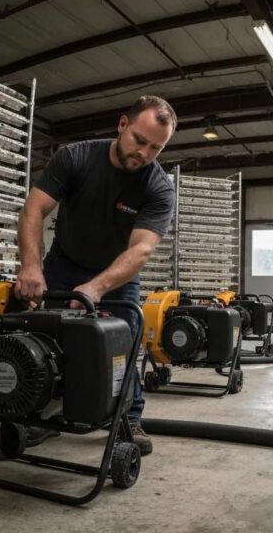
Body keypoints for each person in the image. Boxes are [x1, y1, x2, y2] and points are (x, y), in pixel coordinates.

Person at [14, 95, 177, 456]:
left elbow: (142, 250)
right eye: (139, 139)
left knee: (122, 346)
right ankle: (40, 416)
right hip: (64, 262)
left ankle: (127, 418)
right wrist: (31, 265)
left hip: (117, 274)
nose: (144, 153)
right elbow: (33, 210)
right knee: (43, 342)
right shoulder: (75, 157)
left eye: (155, 148)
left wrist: (98, 286)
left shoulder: (158, 187)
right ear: (122, 125)